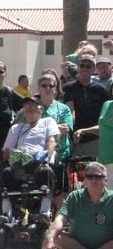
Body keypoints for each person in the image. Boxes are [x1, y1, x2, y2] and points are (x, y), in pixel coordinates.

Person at [0, 97, 59, 219]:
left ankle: (44, 213)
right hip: (19, 163)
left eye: (33, 108)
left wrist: (46, 158)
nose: (29, 111)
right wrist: (15, 154)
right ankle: (6, 214)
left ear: (40, 109)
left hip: (40, 162)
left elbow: (52, 141)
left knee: (45, 172)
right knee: (6, 173)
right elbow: (6, 152)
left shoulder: (48, 122)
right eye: (27, 109)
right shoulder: (16, 128)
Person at [42, 162, 113, 249]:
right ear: (84, 181)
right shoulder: (75, 196)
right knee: (53, 234)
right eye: (89, 176)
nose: (93, 180)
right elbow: (60, 219)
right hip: (78, 246)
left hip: (106, 246)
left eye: (98, 177)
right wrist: (50, 238)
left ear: (105, 181)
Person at [62, 53, 109, 159]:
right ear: (77, 67)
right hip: (73, 140)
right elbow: (66, 113)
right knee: (72, 174)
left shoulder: (101, 91)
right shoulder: (68, 89)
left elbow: (104, 118)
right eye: (82, 65)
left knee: (95, 174)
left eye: (88, 66)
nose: (85, 69)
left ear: (94, 69)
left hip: (94, 140)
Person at [37, 73, 73, 209]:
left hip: (60, 155)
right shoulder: (32, 107)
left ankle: (59, 226)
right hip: (37, 157)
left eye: (51, 85)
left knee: (59, 194)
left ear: (56, 89)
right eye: (44, 85)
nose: (47, 88)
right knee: (40, 192)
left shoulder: (63, 109)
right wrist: (54, 127)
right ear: (38, 88)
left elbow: (66, 129)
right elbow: (26, 128)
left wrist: (40, 127)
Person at [74, 83, 113, 190]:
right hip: (104, 158)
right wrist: (84, 131)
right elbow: (102, 128)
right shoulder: (106, 104)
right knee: (105, 196)